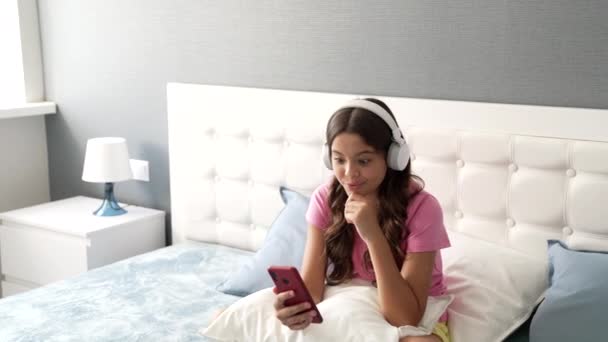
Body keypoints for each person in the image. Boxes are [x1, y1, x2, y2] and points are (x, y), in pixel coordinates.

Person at [272, 98, 452, 342]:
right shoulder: (325, 199)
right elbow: (313, 290)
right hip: (351, 304)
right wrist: (294, 310)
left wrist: (373, 235)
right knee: (233, 315)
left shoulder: (423, 208)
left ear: (393, 157)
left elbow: (405, 317)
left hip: (412, 315)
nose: (349, 173)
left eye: (364, 161)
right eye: (339, 160)